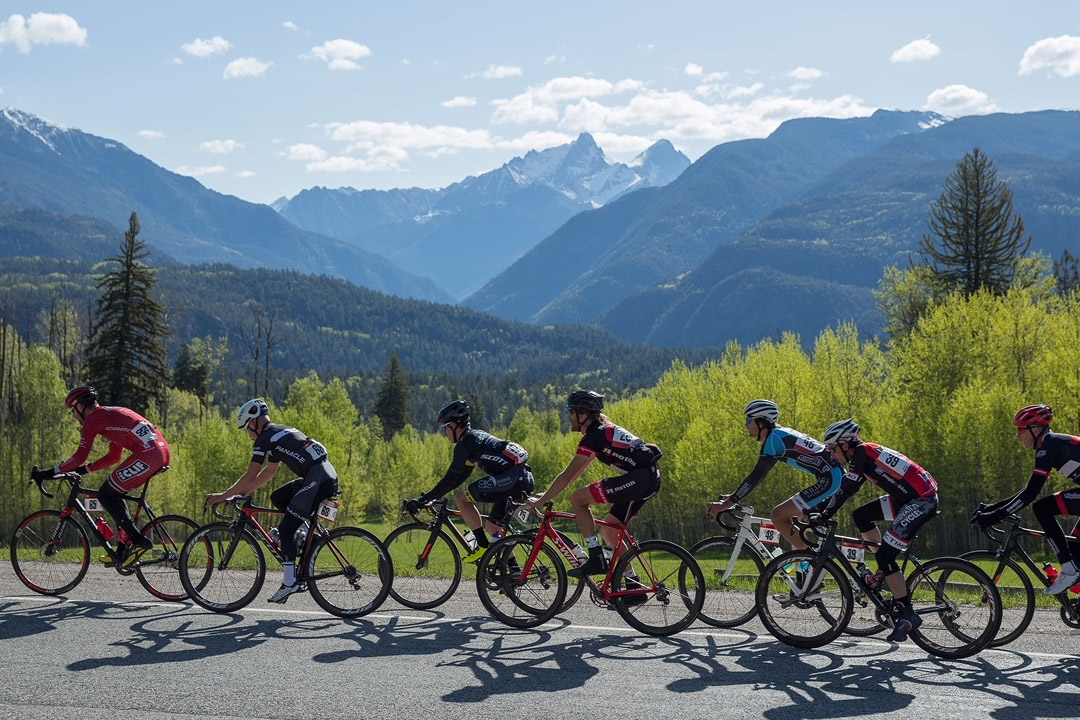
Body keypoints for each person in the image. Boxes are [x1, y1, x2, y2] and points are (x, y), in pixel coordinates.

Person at [205, 398, 339, 604]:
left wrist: (222, 496)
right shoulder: (277, 432)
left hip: (318, 478)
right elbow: (270, 471)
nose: (248, 435)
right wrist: (242, 494)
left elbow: (251, 475)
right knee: (278, 497)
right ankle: (301, 535)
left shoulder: (265, 438)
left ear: (253, 422)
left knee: (285, 530)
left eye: (246, 429)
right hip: (322, 474)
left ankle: (289, 582)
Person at [816, 418, 939, 642]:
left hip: (921, 500)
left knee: (885, 555)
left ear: (845, 444)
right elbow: (845, 489)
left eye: (833, 449)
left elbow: (846, 490)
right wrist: (822, 510)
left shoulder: (862, 454)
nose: (832, 455)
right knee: (861, 516)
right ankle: (883, 572)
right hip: (908, 497)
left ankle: (906, 613)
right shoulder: (865, 453)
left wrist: (823, 516)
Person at [525, 390, 662, 579]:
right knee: (609, 530)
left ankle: (596, 557)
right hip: (647, 477)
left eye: (571, 412)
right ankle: (633, 583)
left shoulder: (594, 436)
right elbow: (572, 476)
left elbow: (567, 477)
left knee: (578, 499)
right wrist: (546, 495)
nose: (568, 417)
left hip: (640, 479)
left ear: (583, 415)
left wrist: (541, 500)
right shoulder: (602, 431)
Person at [30, 386, 170, 568]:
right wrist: (82, 471)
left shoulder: (94, 419)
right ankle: (122, 550)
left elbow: (80, 456)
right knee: (114, 492)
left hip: (149, 455)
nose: (73, 416)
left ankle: (138, 541)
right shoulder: (110, 415)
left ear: (80, 406)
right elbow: (114, 457)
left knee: (106, 495)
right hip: (160, 451)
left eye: (73, 411)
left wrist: (49, 473)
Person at [707, 400, 844, 555]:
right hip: (834, 477)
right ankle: (805, 576)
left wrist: (726, 504)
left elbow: (755, 478)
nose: (746, 424)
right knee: (794, 521)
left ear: (761, 422)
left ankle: (816, 562)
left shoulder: (773, 441)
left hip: (831, 478)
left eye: (749, 420)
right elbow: (756, 478)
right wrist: (733, 497)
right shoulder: (779, 436)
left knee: (777, 515)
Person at [403, 400, 534, 562]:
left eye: (445, 428)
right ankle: (512, 575)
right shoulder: (475, 439)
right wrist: (430, 497)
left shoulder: (465, 444)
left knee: (461, 499)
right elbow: (460, 477)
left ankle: (483, 546)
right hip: (522, 477)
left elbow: (450, 479)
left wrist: (423, 500)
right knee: (494, 528)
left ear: (454, 426)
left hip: (513, 478)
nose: (445, 432)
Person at [973, 404, 1080, 594]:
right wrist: (993, 508)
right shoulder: (1051, 444)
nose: (1018, 435)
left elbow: (1031, 494)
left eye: (1021, 430)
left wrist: (994, 516)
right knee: (1074, 546)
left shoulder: (1048, 447)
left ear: (1036, 429)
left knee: (1042, 508)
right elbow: (1029, 489)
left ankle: (1069, 570)